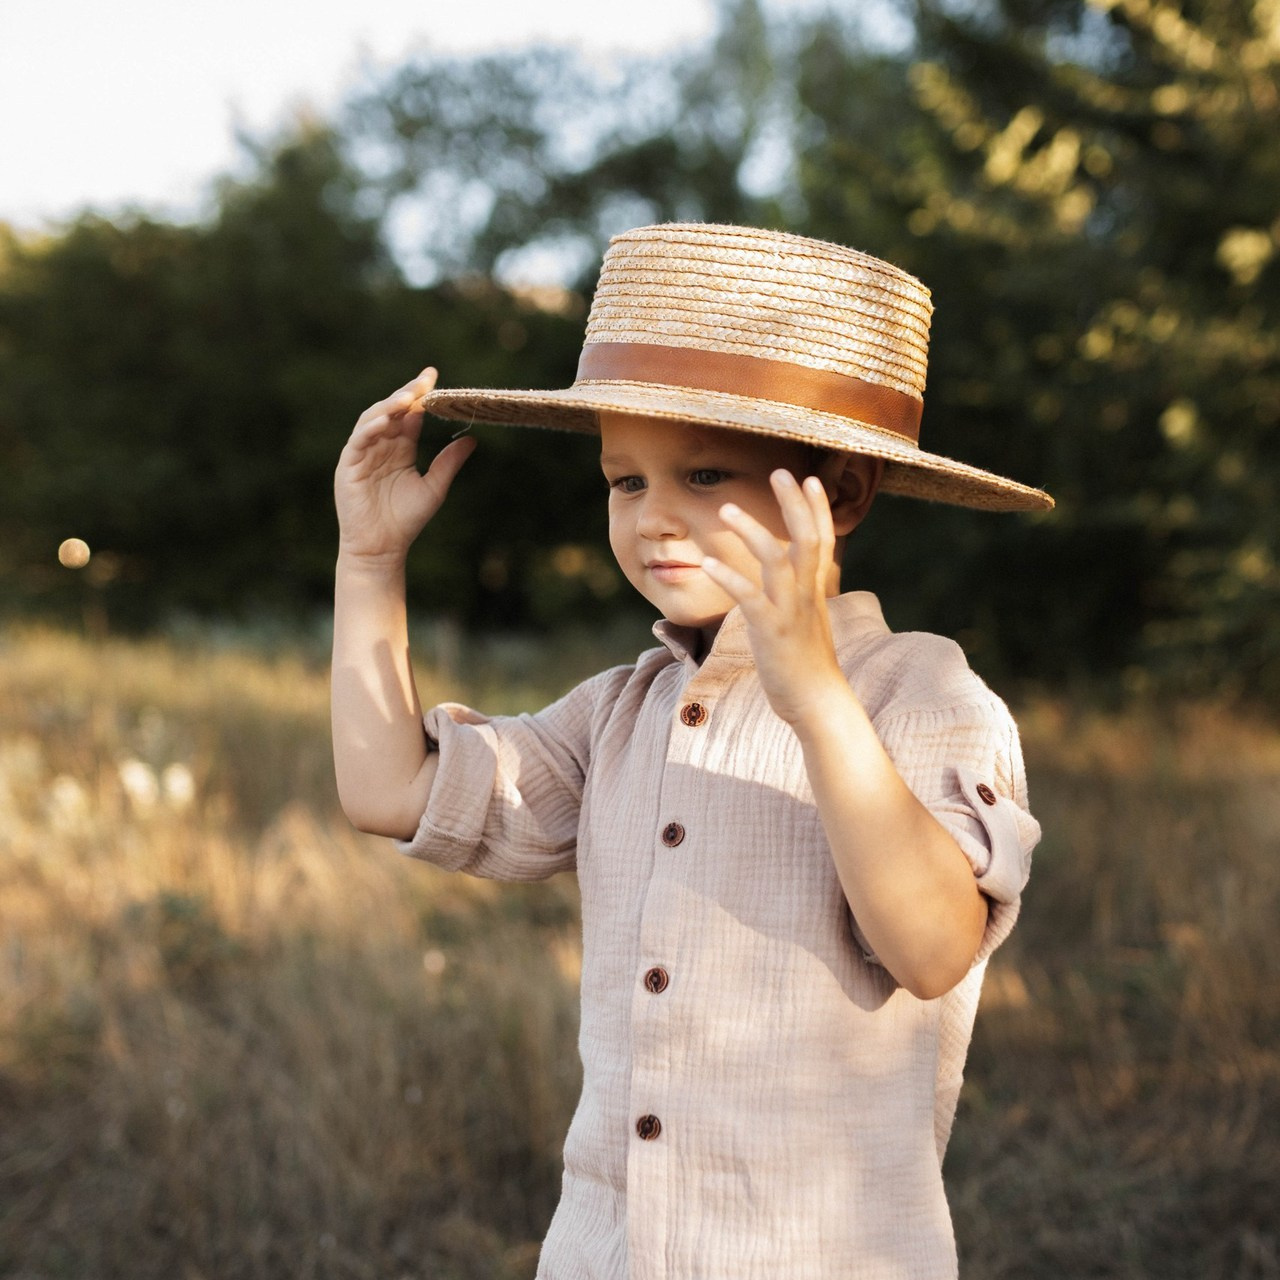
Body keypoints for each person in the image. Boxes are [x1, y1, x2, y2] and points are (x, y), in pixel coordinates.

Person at [331, 223, 1048, 1279]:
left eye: (703, 472)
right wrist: (369, 557)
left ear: (839, 494)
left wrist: (810, 691)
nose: (652, 518)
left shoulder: (922, 690)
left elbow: (933, 948)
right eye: (625, 481)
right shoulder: (622, 708)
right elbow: (391, 788)